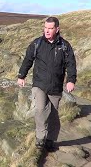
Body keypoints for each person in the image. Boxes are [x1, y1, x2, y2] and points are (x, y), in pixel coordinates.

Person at [17, 17, 77, 152]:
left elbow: (71, 64)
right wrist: (22, 75)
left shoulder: (64, 46)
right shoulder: (37, 43)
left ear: (57, 29)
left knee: (54, 115)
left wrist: (71, 80)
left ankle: (50, 140)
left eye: (50, 28)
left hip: (56, 86)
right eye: (45, 28)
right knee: (40, 110)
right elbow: (28, 59)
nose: (47, 31)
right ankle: (40, 138)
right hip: (39, 84)